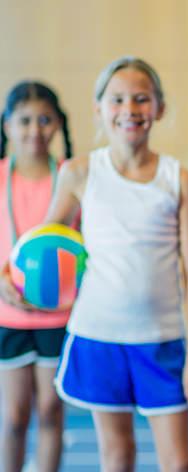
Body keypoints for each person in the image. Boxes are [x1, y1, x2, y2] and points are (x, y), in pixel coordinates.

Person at [0, 56, 188, 471]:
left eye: (141, 99)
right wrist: (8, 272)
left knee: (179, 462)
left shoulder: (178, 180)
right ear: (99, 109)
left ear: (160, 108)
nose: (129, 110)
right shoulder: (80, 174)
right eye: (117, 100)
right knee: (117, 456)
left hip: (162, 339)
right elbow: (42, 243)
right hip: (97, 335)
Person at [0, 81, 72, 472]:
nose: (35, 130)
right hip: (8, 316)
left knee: (49, 411)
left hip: (60, 314)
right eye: (24, 120)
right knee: (13, 416)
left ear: (59, 123)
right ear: (7, 125)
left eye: (45, 120)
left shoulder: (71, 177)